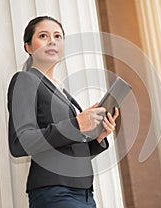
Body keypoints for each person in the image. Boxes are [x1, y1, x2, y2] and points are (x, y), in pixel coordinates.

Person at [7, 16, 119, 208]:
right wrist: (76, 124)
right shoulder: (25, 79)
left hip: (85, 194)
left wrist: (98, 137)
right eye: (43, 35)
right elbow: (19, 143)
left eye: (58, 36)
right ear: (29, 47)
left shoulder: (62, 91)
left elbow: (67, 150)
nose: (52, 40)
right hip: (55, 192)